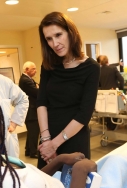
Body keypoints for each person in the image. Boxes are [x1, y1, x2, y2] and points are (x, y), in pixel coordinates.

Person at [37, 11, 100, 168]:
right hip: (47, 139)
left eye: (58, 35)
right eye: (49, 39)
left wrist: (55, 144)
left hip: (73, 139)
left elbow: (84, 113)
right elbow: (41, 102)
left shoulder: (91, 68)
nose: (55, 43)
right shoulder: (48, 65)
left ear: (71, 33)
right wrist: (46, 140)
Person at [19, 61, 40, 159]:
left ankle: (28, 150)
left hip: (31, 110)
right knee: (34, 131)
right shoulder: (25, 80)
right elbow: (37, 92)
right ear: (27, 70)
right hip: (31, 111)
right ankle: (33, 152)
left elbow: (38, 87)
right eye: (33, 69)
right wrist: (38, 88)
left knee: (31, 131)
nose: (35, 71)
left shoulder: (29, 79)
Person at [98, 55, 124, 130]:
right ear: (107, 61)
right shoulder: (113, 68)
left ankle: (109, 127)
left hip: (103, 95)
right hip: (113, 93)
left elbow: (97, 84)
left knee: (106, 110)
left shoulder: (98, 71)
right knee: (114, 110)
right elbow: (121, 79)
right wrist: (120, 88)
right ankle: (113, 127)